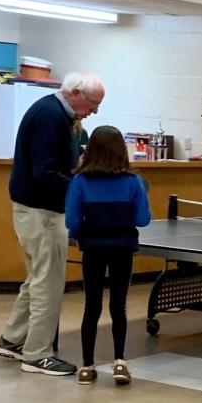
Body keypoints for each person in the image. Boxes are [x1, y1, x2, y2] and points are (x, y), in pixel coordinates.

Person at [0, 72, 105, 376]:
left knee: (37, 279)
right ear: (77, 93)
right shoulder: (50, 116)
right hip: (41, 212)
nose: (95, 111)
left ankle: (12, 340)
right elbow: (45, 173)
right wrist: (79, 188)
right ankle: (36, 354)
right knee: (48, 283)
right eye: (94, 103)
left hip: (35, 210)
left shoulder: (55, 113)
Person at [65, 125, 151, 385]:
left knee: (92, 306)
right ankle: (119, 363)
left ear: (90, 150)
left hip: (93, 248)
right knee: (119, 305)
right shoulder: (133, 182)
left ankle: (87, 366)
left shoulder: (79, 182)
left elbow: (72, 222)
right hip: (122, 248)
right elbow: (143, 219)